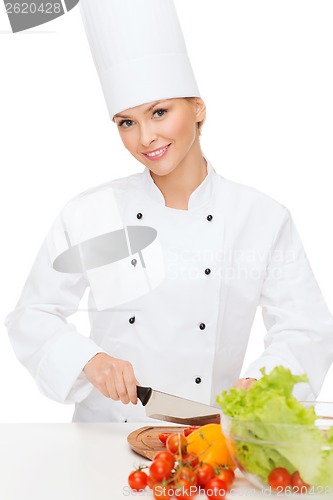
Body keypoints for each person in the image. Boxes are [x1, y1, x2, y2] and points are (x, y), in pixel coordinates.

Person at [5, 0, 333, 422]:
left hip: (207, 438)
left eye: (160, 112)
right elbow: (32, 316)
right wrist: (90, 360)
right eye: (126, 122)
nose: (146, 138)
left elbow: (306, 328)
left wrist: (263, 382)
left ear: (197, 108)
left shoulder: (261, 217)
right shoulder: (91, 213)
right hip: (102, 437)